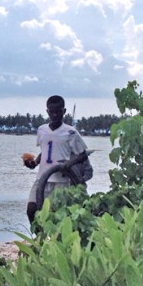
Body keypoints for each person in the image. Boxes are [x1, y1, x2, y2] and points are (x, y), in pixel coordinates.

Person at [24, 95, 89, 224]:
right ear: (47, 111)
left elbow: (82, 155)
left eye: (58, 112)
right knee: (31, 209)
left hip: (61, 181)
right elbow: (46, 151)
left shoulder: (71, 132)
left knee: (56, 214)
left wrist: (69, 164)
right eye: (51, 112)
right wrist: (34, 162)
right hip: (42, 178)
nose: (54, 115)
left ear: (64, 111)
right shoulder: (42, 130)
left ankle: (51, 240)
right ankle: (39, 238)